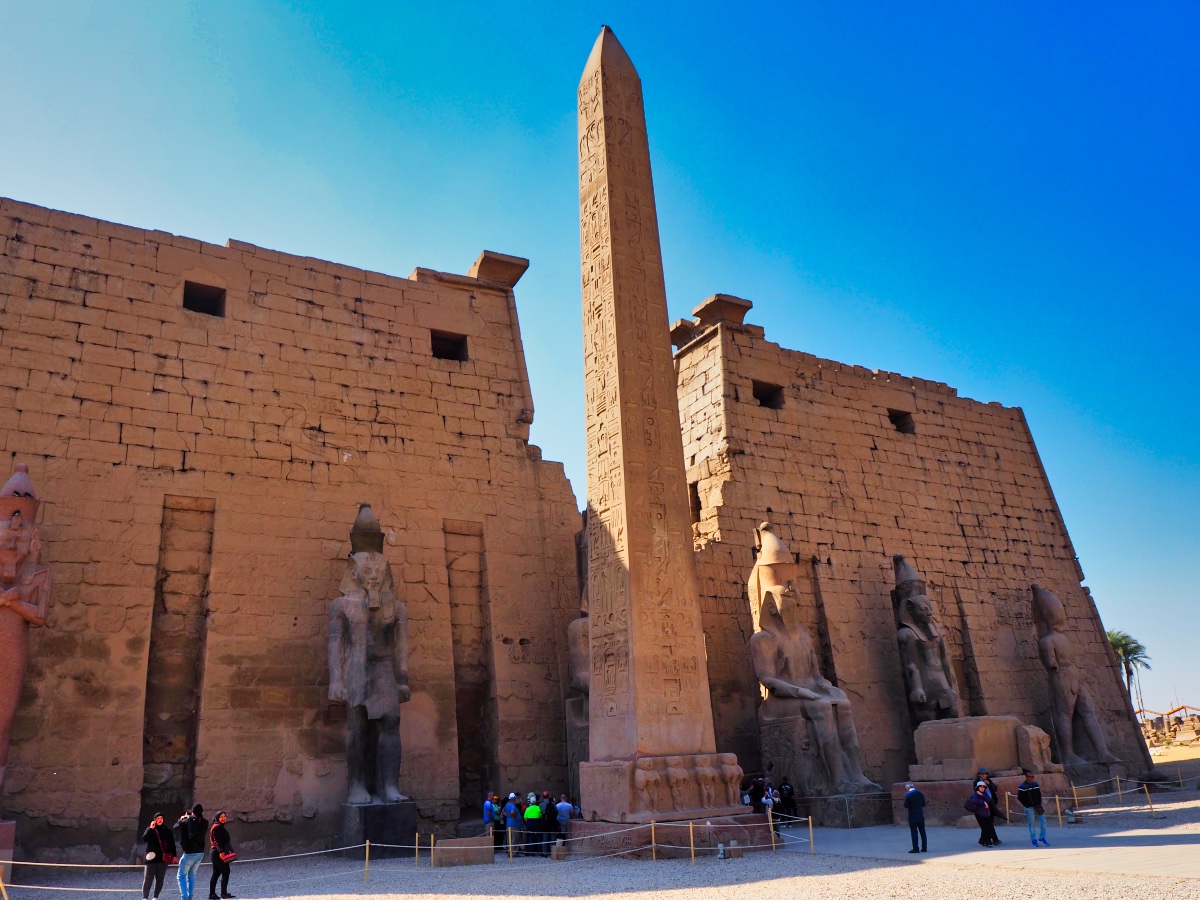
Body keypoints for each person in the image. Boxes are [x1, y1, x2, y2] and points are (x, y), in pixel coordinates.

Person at [174, 804, 208, 900]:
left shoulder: (186, 821)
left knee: (181, 875)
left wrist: (181, 819)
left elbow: (175, 827)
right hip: (200, 852)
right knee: (192, 874)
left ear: (193, 812)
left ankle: (184, 897)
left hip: (189, 853)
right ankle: (190, 897)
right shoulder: (205, 822)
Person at [140, 811, 176, 900]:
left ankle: (155, 896)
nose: (160, 820)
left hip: (163, 858)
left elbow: (172, 844)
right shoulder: (151, 829)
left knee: (160, 878)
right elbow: (144, 839)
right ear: (155, 820)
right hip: (151, 858)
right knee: (148, 878)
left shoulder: (167, 830)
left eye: (161, 818)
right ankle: (145, 897)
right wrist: (150, 829)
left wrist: (174, 856)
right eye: (158, 818)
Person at [207, 810, 235, 900]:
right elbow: (217, 841)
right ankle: (223, 893)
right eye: (221, 817)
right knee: (226, 871)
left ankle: (212, 894)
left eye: (224, 816)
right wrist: (221, 852)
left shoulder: (218, 826)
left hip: (215, 852)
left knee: (216, 873)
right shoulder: (217, 827)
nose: (223, 818)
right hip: (217, 852)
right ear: (217, 818)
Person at [1017, 770, 1049, 847]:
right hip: (1029, 807)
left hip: (1037, 806)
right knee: (1032, 824)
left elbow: (1039, 794)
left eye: (1032, 777)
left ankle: (1042, 838)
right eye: (1030, 777)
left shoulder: (1035, 784)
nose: (1031, 778)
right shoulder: (1022, 786)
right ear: (1026, 777)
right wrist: (1027, 805)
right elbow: (1020, 797)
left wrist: (1039, 803)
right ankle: (1033, 839)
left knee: (1043, 821)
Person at [965, 783, 999, 847]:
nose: (982, 788)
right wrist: (983, 802)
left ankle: (982, 840)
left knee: (986, 827)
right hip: (979, 814)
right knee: (985, 828)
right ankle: (988, 842)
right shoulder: (976, 794)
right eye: (981, 787)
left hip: (986, 813)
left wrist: (982, 795)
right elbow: (975, 800)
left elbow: (988, 799)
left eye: (983, 787)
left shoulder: (984, 794)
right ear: (978, 787)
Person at [974, 768, 1004, 835]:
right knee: (986, 823)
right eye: (983, 774)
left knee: (990, 822)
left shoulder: (988, 780)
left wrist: (989, 784)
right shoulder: (976, 782)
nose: (984, 775)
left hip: (991, 802)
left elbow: (995, 789)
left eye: (986, 774)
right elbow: (977, 793)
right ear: (979, 775)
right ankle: (990, 839)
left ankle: (988, 839)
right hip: (983, 804)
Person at [903, 783, 927, 853]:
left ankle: (915, 848)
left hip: (912, 815)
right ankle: (924, 848)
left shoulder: (908, 794)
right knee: (922, 831)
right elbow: (923, 804)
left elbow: (905, 805)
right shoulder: (920, 793)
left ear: (907, 788)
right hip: (920, 815)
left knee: (914, 832)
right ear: (913, 786)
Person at [522, 792, 542, 856]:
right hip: (537, 824)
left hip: (530, 824)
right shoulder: (538, 808)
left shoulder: (527, 809)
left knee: (530, 838)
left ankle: (530, 852)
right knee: (538, 838)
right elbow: (540, 816)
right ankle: (539, 851)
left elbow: (525, 818)